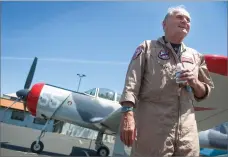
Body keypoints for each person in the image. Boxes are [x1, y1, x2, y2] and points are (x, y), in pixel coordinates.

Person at [119, 5, 214, 157]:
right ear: (164, 24)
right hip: (153, 131)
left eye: (188, 20)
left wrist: (194, 82)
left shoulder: (196, 56)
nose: (185, 21)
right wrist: (127, 114)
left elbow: (205, 92)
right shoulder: (147, 48)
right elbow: (131, 83)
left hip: (187, 134)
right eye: (179, 17)